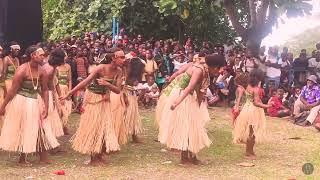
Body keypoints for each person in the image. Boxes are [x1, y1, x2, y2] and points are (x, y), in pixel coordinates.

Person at [60, 48, 124, 166]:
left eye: (123, 57)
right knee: (93, 127)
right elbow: (86, 81)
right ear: (113, 58)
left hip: (104, 101)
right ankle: (93, 158)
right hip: (93, 98)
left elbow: (118, 90)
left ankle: (99, 155)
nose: (123, 59)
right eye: (121, 57)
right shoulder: (100, 68)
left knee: (103, 127)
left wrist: (107, 85)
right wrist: (70, 93)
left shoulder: (119, 71)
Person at [158, 53, 225, 165]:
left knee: (193, 126)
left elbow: (199, 91)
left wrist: (198, 108)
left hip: (188, 97)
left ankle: (193, 157)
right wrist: (178, 102)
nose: (219, 72)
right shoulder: (199, 70)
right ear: (214, 66)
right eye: (219, 69)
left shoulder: (204, 70)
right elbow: (189, 87)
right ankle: (184, 159)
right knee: (186, 126)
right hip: (182, 96)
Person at [0, 45, 59, 165]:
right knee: (25, 127)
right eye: (41, 54)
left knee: (41, 127)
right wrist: (3, 106)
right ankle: (22, 158)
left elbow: (45, 90)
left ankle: (43, 156)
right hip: (22, 101)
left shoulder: (42, 70)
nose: (43, 57)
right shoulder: (22, 70)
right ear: (33, 56)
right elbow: (12, 91)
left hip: (36, 101)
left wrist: (46, 106)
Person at [233, 69, 270, 160]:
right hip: (254, 111)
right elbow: (256, 103)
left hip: (247, 109)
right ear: (259, 78)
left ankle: (250, 151)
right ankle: (248, 152)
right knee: (252, 133)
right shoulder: (256, 89)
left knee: (250, 132)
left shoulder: (249, 86)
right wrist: (267, 106)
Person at [42, 49, 65, 139]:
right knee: (48, 119)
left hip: (50, 94)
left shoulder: (50, 67)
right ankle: (49, 143)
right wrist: (51, 98)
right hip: (47, 95)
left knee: (50, 118)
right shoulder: (50, 69)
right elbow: (44, 86)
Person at [123, 55, 145, 143]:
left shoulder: (137, 74)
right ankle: (120, 135)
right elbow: (123, 83)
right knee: (124, 115)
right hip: (125, 94)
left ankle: (134, 135)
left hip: (132, 95)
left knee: (133, 116)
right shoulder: (127, 70)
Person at [56, 53, 72, 135]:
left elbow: (69, 80)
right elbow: (55, 81)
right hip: (58, 89)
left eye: (66, 56)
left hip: (66, 89)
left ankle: (64, 125)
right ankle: (61, 127)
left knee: (67, 109)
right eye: (64, 56)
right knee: (59, 109)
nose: (66, 57)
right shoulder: (56, 67)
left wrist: (69, 91)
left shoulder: (68, 66)